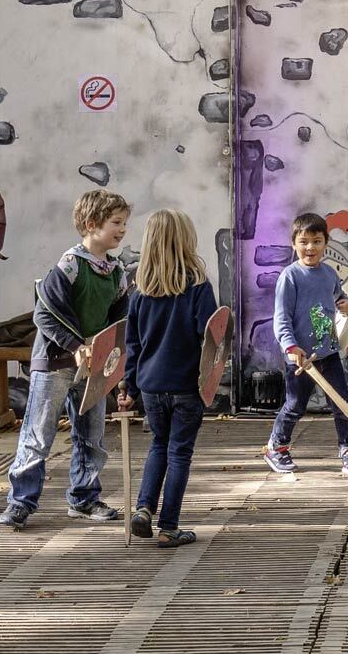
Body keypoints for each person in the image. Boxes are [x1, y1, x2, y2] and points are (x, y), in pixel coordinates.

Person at [0, 189, 132, 529]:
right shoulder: (69, 265)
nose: (122, 230)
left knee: (92, 435)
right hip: (56, 364)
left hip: (94, 368)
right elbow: (45, 314)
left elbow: (119, 321)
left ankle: (84, 497)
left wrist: (113, 359)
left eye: (124, 223)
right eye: (116, 223)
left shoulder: (117, 272)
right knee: (38, 434)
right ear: (91, 224)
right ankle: (20, 502)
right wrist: (74, 345)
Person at [121, 209, 219, 548]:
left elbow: (131, 345)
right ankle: (169, 527)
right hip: (186, 385)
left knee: (158, 446)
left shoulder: (139, 294)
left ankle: (144, 508)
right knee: (179, 452)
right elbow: (210, 336)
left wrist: (129, 388)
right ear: (186, 240)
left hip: (150, 386)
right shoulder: (198, 287)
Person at [265, 213, 348, 476]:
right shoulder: (290, 276)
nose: (310, 248)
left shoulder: (329, 273)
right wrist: (291, 347)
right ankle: (277, 447)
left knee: (341, 402)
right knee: (295, 405)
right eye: (304, 242)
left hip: (327, 352)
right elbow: (281, 318)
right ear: (294, 244)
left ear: (326, 243)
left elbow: (341, 300)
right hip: (299, 357)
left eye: (317, 241)